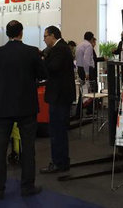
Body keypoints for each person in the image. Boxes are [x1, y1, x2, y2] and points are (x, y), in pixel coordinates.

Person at [0, 20, 46, 199]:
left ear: (7, 34)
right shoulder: (31, 52)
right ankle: (27, 187)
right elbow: (43, 74)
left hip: (2, 106)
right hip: (26, 106)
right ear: (21, 33)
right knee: (28, 148)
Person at [40, 26, 76, 174]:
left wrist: (43, 59)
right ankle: (61, 161)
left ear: (53, 35)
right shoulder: (61, 48)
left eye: (45, 36)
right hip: (60, 95)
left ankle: (59, 162)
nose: (44, 39)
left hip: (59, 96)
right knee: (58, 130)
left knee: (57, 130)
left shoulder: (59, 49)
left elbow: (53, 68)